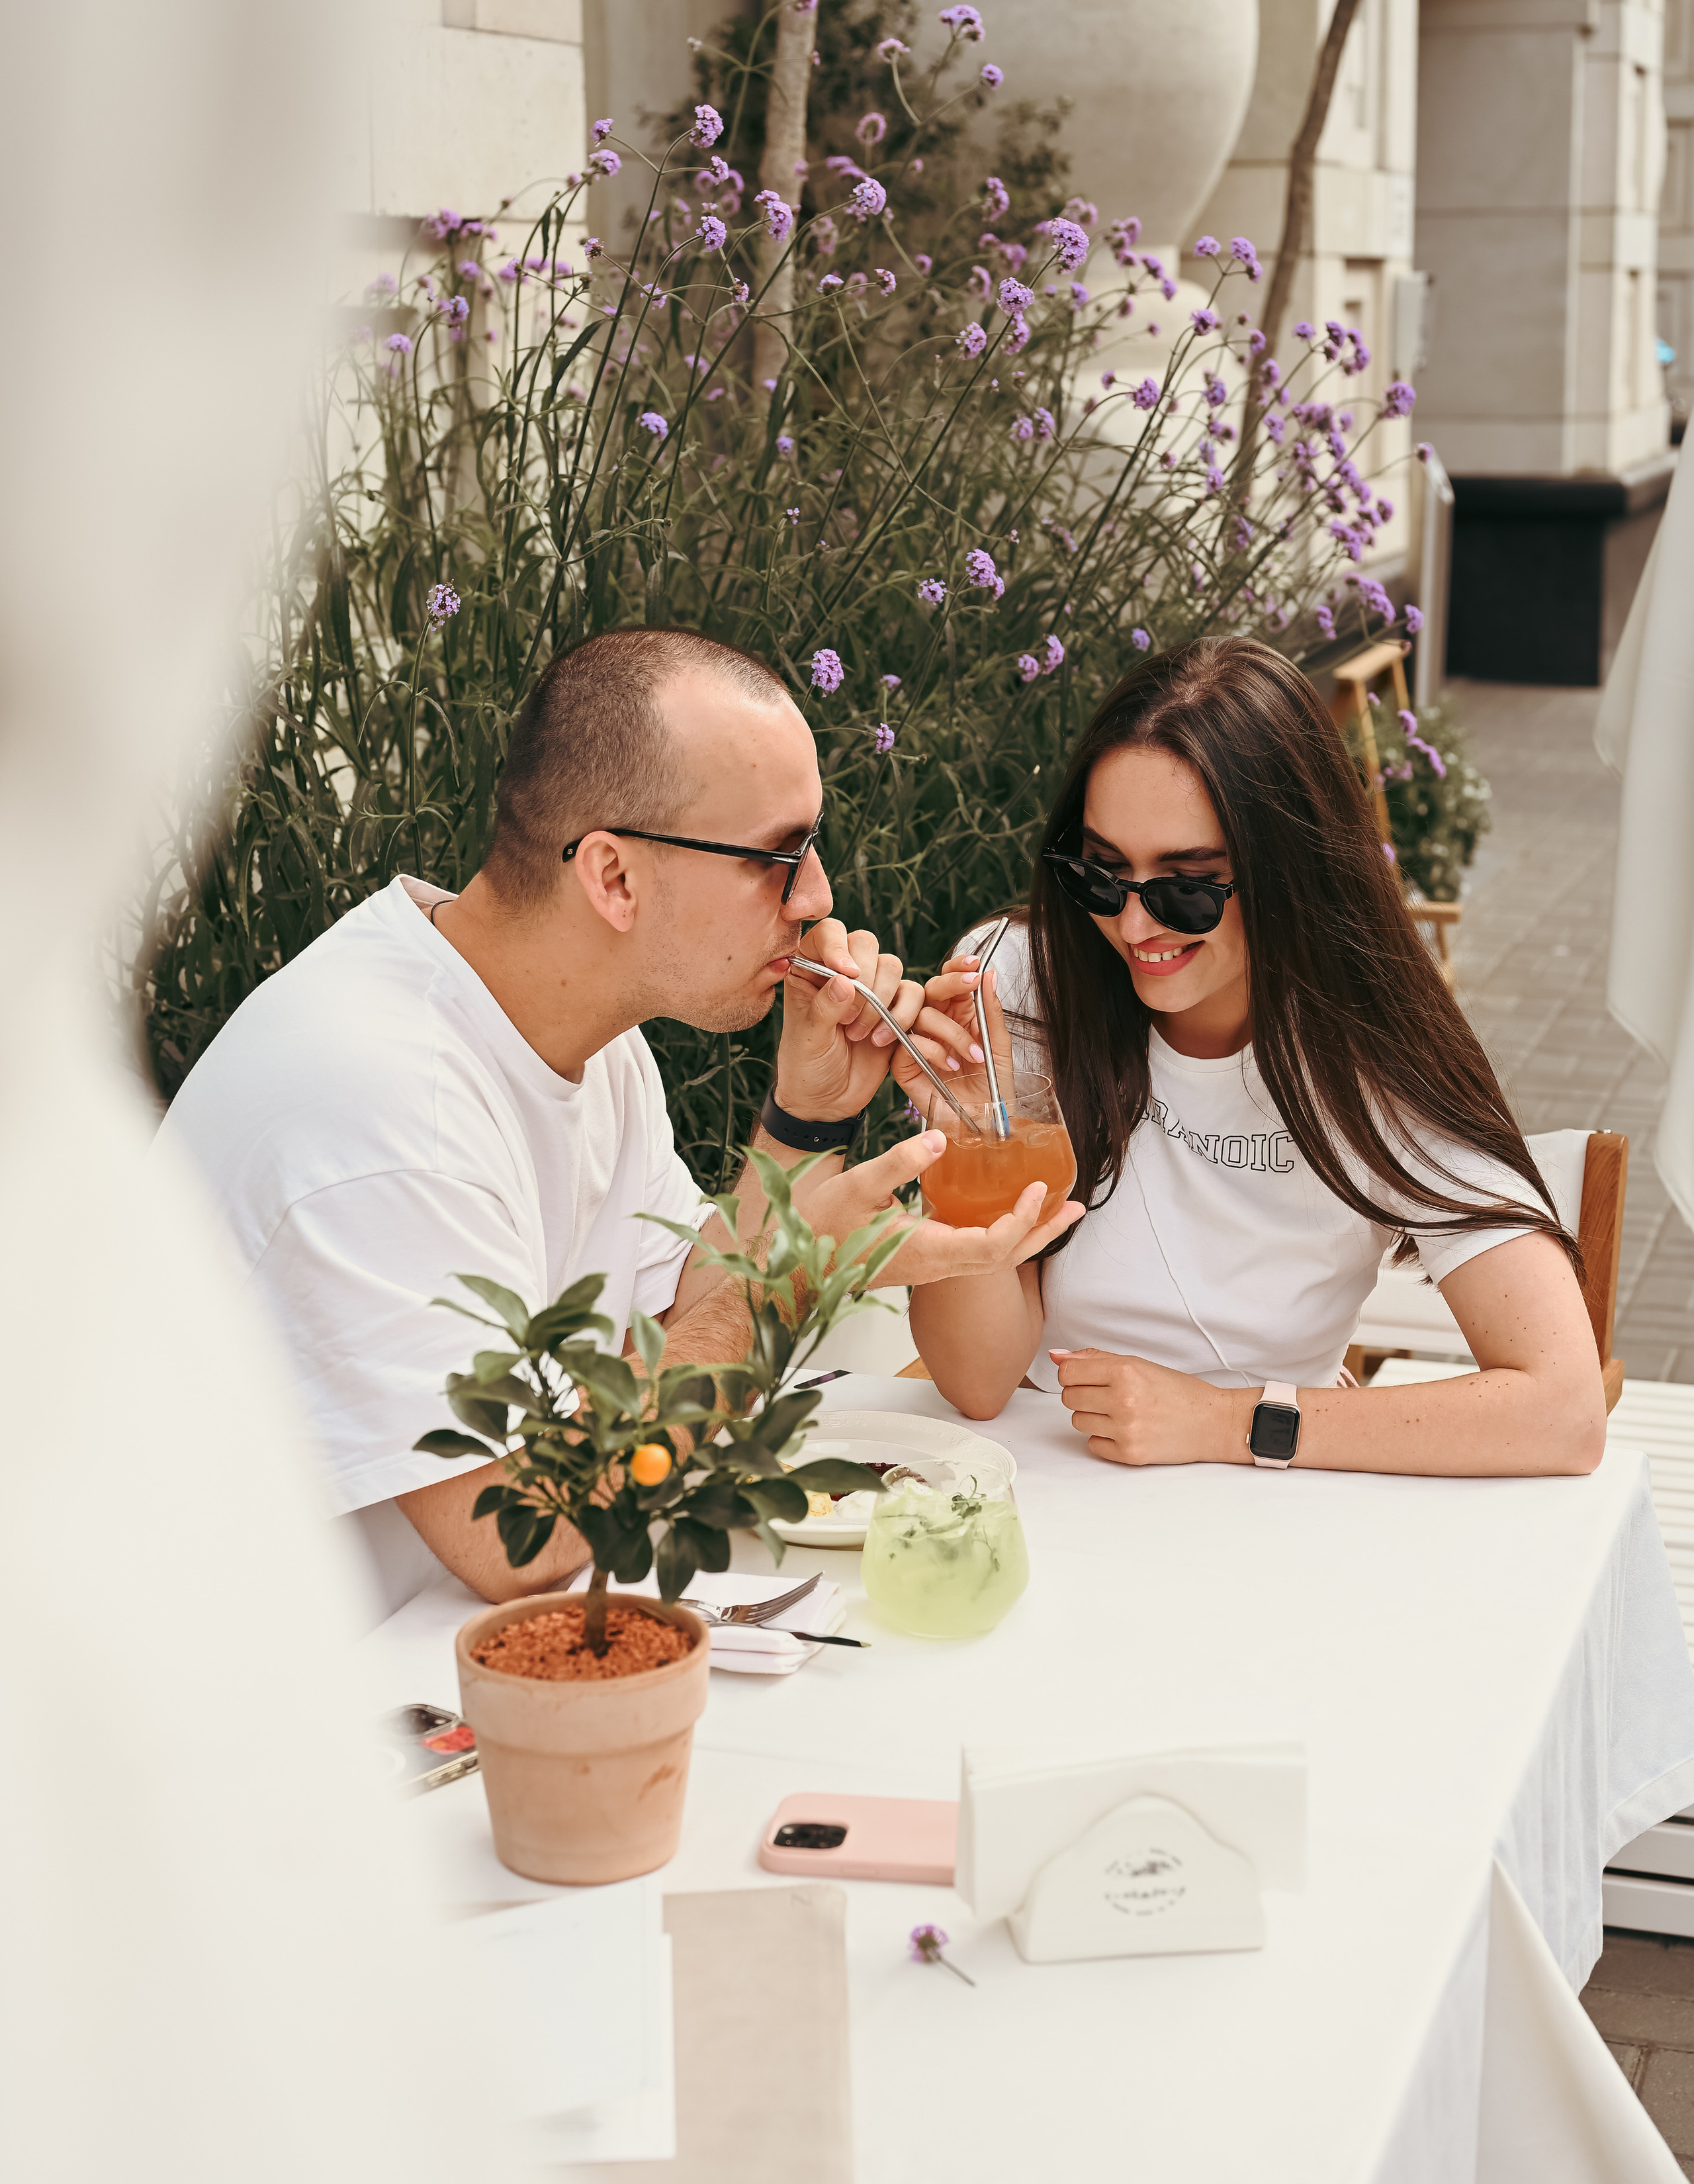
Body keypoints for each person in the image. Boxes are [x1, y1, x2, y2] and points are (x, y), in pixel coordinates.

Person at [157, 627, 1079, 1615]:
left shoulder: (578, 1031)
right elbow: (522, 1531)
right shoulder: (384, 1105)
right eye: (776, 856)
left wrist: (809, 1116)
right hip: (236, 1706)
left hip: (434, 1645)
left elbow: (686, 1305)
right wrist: (792, 1279)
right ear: (613, 878)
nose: (816, 898)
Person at [907, 636, 1607, 1477]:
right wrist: (960, 1151)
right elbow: (979, 1382)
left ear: (1289, 870)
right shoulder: (1018, 984)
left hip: (1274, 1508)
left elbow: (1564, 1409)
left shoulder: (1368, 1056)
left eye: (1186, 888)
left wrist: (1224, 1421)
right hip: (1041, 1491)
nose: (1133, 927)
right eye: (1101, 874)